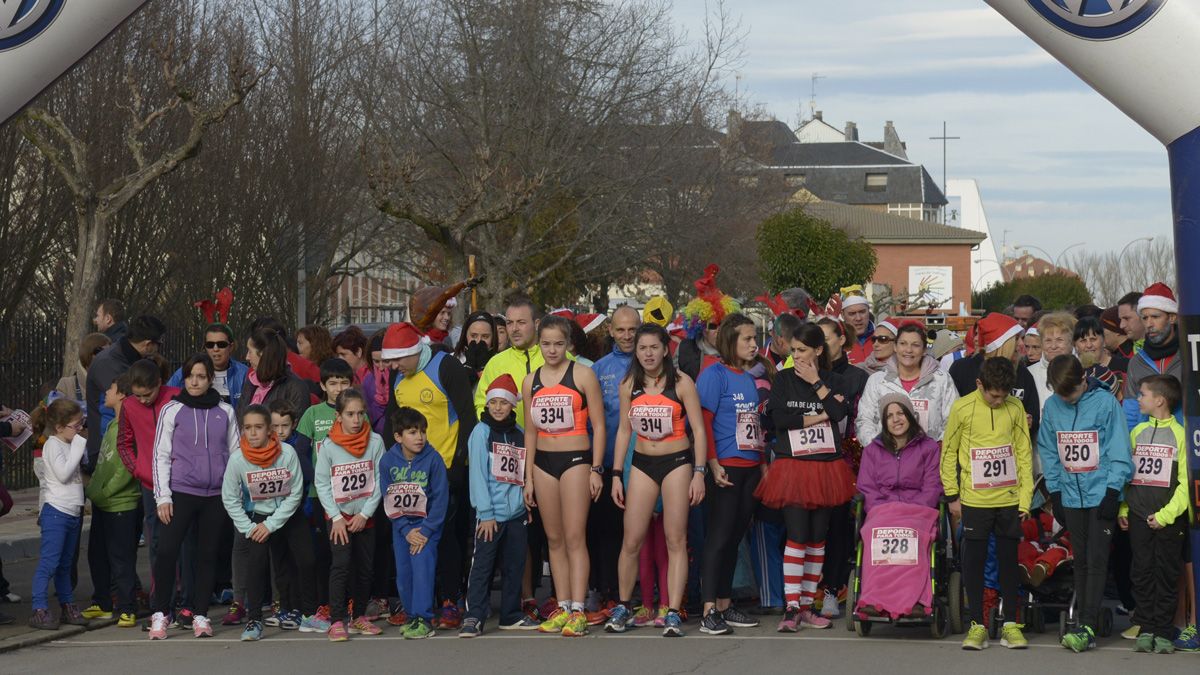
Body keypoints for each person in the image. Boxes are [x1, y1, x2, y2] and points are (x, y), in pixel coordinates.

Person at [604, 324, 708, 637]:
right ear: (635, 352)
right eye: (642, 348)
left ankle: (673, 610)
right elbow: (624, 430)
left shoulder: (682, 383)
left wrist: (699, 473)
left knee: (674, 539)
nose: (648, 354)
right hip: (642, 464)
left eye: (653, 347)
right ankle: (624, 605)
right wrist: (616, 475)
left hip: (676, 462)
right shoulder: (628, 384)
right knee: (632, 538)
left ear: (666, 349)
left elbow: (699, 431)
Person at [756, 322, 855, 632]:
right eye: (793, 350)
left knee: (817, 538)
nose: (795, 356)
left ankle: (809, 604)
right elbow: (779, 418)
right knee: (797, 535)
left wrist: (815, 382)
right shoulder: (783, 379)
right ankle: (791, 606)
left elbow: (841, 414)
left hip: (826, 467)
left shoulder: (834, 380)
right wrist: (821, 414)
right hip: (793, 466)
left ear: (818, 350)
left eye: (801, 351)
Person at [380, 321, 476, 629]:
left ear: (413, 351)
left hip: (445, 465)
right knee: (411, 537)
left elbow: (467, 416)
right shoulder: (399, 374)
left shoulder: (445, 366)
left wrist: (460, 464)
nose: (393, 366)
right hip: (408, 471)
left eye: (397, 359)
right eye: (390, 360)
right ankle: (416, 604)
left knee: (443, 534)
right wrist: (388, 459)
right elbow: (392, 422)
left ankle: (450, 599)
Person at [1038, 355, 1132, 652]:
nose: (1065, 399)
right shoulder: (1053, 406)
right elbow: (1049, 450)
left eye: (1071, 393)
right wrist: (1055, 493)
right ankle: (1083, 619)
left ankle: (1087, 625)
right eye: (1060, 393)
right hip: (1070, 494)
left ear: (1083, 380)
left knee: (1097, 559)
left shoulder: (1105, 404)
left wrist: (1112, 491)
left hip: (1101, 492)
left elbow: (1119, 447)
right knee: (1079, 559)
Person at [941, 357, 1033, 650]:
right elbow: (948, 452)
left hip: (1008, 499)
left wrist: (1025, 498)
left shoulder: (1015, 407)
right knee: (974, 561)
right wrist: (952, 494)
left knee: (1008, 561)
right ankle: (977, 624)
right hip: (974, 500)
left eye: (1004, 396)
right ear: (980, 385)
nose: (998, 401)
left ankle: (1010, 624)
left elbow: (1023, 453)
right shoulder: (962, 407)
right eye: (994, 396)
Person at [521, 315, 605, 637]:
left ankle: (580, 609)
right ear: (538, 343)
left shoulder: (583, 375)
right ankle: (564, 605)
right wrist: (528, 477)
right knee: (553, 540)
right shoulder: (531, 381)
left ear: (568, 344)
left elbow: (599, 425)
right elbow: (530, 431)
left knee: (574, 537)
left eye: (558, 343)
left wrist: (597, 469)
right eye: (546, 344)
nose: (552, 350)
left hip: (575, 460)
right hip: (543, 461)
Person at [147, 354, 240, 640]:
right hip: (182, 492)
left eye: (201, 376)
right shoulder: (172, 410)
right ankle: (161, 614)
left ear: (211, 378)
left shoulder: (226, 411)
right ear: (184, 379)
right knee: (166, 552)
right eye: (190, 376)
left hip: (215, 495)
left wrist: (233, 493)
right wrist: (163, 497)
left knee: (207, 555)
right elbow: (160, 455)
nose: (195, 381)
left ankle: (200, 614)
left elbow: (236, 453)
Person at [695, 313, 769, 636]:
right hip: (725, 467)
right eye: (748, 339)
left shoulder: (748, 378)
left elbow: (753, 423)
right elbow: (704, 423)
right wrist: (711, 463)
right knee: (719, 538)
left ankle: (725, 604)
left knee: (735, 537)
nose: (754, 344)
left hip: (751, 467)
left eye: (755, 338)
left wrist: (763, 462)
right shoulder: (715, 374)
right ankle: (708, 609)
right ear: (730, 341)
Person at [221, 404, 315, 641]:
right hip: (257, 519)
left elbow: (295, 493)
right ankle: (254, 620)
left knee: (306, 559)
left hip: (288, 514)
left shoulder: (287, 453)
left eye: (258, 427)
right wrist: (250, 527)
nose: (253, 433)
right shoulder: (237, 460)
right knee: (257, 564)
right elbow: (230, 499)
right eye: (248, 428)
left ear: (269, 430)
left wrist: (272, 524)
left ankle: (309, 613)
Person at [461, 375, 538, 636]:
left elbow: (520, 475)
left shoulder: (518, 434)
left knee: (514, 565)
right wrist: (485, 513)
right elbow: (478, 477)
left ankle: (510, 614)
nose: (497, 407)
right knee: (482, 566)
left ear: (512, 406)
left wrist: (523, 505)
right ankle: (474, 616)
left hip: (515, 515)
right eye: (492, 402)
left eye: (502, 403)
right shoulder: (481, 432)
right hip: (490, 516)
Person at [1122, 375, 1188, 654]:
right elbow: (1128, 476)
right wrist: (1124, 508)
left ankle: (1162, 630)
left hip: (1168, 519)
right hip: (1138, 515)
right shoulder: (1136, 433)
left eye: (1143, 394)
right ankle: (1146, 627)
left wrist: (1166, 515)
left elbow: (1185, 483)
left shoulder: (1181, 435)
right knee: (1141, 572)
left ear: (1159, 400)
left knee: (1166, 572)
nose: (1138, 399)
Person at [314, 389, 386, 641]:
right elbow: (322, 483)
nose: (356, 420)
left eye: (360, 414)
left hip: (365, 516)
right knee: (341, 565)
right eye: (350, 414)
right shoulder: (329, 446)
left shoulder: (375, 442)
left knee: (365, 568)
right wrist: (336, 517)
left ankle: (358, 617)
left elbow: (379, 479)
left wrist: (365, 514)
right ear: (338, 416)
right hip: (338, 519)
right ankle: (336, 620)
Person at [115, 359, 181, 610]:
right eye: (138, 395)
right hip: (151, 484)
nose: (143, 400)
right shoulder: (130, 406)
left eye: (148, 394)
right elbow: (124, 443)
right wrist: (140, 471)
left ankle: (186, 598)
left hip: (182, 482)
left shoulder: (177, 397)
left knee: (185, 542)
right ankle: (161, 601)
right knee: (157, 544)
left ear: (159, 384)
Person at [381, 406, 449, 639]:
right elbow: (388, 499)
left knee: (422, 569)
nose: (419, 437)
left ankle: (424, 619)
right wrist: (404, 529)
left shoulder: (434, 459)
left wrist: (426, 529)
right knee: (404, 573)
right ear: (398, 437)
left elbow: (441, 498)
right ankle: (411, 616)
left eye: (422, 431)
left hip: (426, 527)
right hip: (402, 528)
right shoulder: (388, 461)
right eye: (412, 432)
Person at [590, 305, 640, 613]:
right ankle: (606, 589)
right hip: (609, 463)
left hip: (647, 463)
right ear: (610, 330)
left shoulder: (652, 360)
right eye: (620, 330)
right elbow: (591, 420)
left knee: (639, 532)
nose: (626, 336)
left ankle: (640, 591)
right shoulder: (600, 368)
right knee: (607, 531)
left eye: (632, 329)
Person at [82, 375, 140, 627]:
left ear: (123, 395)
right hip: (102, 504)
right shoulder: (111, 426)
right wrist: (94, 490)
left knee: (121, 558)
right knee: (97, 555)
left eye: (112, 388)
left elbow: (126, 469)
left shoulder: (131, 427)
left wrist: (105, 492)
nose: (107, 390)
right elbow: (105, 464)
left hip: (121, 505)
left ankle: (127, 606)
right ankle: (103, 602)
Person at [27, 400, 89, 630]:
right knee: (49, 563)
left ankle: (67, 605)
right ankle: (39, 608)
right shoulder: (52, 445)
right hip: (56, 512)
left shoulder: (69, 442)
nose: (80, 429)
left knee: (65, 565)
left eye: (81, 423)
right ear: (60, 427)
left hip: (72, 511)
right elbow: (63, 474)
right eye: (76, 425)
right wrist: (79, 446)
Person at [86, 315, 166, 470]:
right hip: (109, 446)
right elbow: (131, 402)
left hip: (126, 440)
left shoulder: (129, 358)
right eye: (159, 344)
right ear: (148, 344)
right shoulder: (109, 363)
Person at [857, 322, 958, 443]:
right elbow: (864, 420)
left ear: (924, 349)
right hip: (887, 458)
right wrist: (879, 451)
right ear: (895, 346)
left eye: (915, 345)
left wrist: (936, 450)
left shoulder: (941, 379)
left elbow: (953, 421)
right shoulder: (877, 381)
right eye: (903, 344)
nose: (908, 350)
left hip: (930, 458)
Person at [949, 312, 1041, 439]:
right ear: (1001, 343)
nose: (1021, 344)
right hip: (971, 451)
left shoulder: (1023, 373)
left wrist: (1030, 422)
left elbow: (1034, 418)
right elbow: (950, 417)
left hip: (1011, 450)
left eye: (1021, 338)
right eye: (1016, 339)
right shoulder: (962, 369)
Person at [857, 393, 942, 511]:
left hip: (918, 512)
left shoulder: (929, 448)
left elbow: (932, 488)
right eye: (889, 416)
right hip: (882, 513)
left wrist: (912, 511)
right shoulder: (872, 451)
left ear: (910, 415)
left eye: (900, 413)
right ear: (884, 422)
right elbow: (867, 489)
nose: (896, 419)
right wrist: (884, 511)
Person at [475, 296, 546, 428]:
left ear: (536, 324)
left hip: (553, 444)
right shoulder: (496, 363)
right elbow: (481, 404)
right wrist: (497, 431)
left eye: (521, 322)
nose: (514, 329)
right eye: (509, 323)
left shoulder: (558, 357)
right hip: (510, 444)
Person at [1122, 284, 1181, 430]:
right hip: (1147, 448)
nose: (1149, 324)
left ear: (1172, 317)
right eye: (1145, 318)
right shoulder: (1136, 362)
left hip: (1187, 446)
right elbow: (1130, 411)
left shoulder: (1192, 356)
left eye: (1155, 317)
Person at [677, 265, 739, 380]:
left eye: (723, 324)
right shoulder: (686, 349)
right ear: (702, 328)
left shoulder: (737, 350)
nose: (719, 330)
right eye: (713, 326)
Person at [167, 323, 249, 407]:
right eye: (210, 345)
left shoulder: (244, 374)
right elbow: (167, 398)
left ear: (231, 347)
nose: (215, 349)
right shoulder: (187, 370)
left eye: (221, 344)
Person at [239, 327, 313, 418]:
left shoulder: (296, 387)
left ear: (263, 353)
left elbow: (297, 426)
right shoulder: (250, 382)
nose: (247, 357)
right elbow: (240, 419)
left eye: (250, 352)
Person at [1028, 312, 1077, 415]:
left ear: (1071, 342)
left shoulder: (1084, 370)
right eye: (1048, 341)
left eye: (1059, 340)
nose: (1053, 346)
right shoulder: (1029, 373)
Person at [55, 332, 110, 409]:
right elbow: (57, 417)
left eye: (109, 352)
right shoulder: (67, 385)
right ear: (87, 353)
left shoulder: (114, 385)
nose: (105, 357)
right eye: (99, 351)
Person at [1073, 316, 1123, 396]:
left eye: (1093, 339)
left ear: (1103, 341)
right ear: (1075, 346)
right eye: (1083, 341)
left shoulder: (1124, 365)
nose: (1089, 345)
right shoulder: (1073, 374)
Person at [452, 311, 498, 387]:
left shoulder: (500, 362)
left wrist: (483, 368)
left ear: (493, 338)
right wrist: (469, 366)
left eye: (485, 336)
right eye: (474, 336)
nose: (479, 341)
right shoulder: (452, 360)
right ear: (465, 336)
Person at [841, 288, 875, 365]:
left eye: (862, 312)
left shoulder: (883, 338)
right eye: (852, 313)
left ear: (868, 311)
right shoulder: (835, 341)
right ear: (842, 315)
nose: (858, 318)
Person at [1100, 306, 1131, 375]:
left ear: (1117, 331)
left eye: (1103, 329)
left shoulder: (1130, 356)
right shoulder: (1116, 353)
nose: (1100, 334)